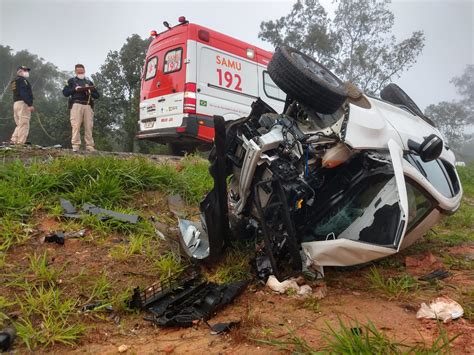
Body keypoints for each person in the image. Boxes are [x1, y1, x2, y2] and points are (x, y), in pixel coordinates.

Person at [62, 64, 100, 152]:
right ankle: (75, 145)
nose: (80, 73)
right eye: (79, 71)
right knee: (76, 125)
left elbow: (97, 95)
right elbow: (65, 93)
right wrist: (74, 89)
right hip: (76, 104)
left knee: (89, 126)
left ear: (84, 71)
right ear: (76, 72)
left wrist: (88, 92)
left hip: (87, 105)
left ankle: (90, 146)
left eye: (82, 71)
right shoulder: (71, 81)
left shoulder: (89, 82)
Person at [10, 66, 34, 145]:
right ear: (20, 71)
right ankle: (20, 143)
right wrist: (29, 104)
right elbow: (23, 93)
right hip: (23, 103)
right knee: (24, 124)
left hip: (16, 103)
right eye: (25, 70)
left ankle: (14, 141)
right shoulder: (22, 80)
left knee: (19, 124)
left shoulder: (14, 81)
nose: (27, 72)